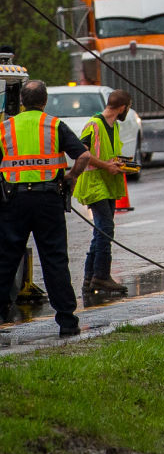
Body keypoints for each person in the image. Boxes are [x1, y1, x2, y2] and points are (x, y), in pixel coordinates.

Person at [0, 80, 109, 336]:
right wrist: (70, 179)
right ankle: (67, 322)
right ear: (45, 101)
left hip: (13, 201)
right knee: (54, 259)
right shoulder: (54, 125)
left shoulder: (5, 128)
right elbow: (82, 155)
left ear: (22, 102)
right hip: (48, 200)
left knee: (5, 260)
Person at [74, 90, 132, 297]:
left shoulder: (114, 125)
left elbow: (106, 154)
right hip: (94, 184)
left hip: (107, 184)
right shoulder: (94, 124)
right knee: (106, 229)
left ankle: (90, 277)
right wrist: (106, 166)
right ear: (123, 107)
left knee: (100, 231)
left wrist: (118, 163)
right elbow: (83, 153)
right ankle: (101, 275)